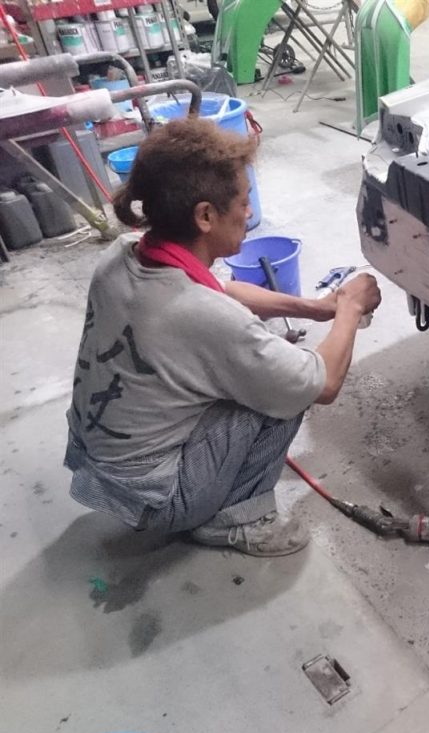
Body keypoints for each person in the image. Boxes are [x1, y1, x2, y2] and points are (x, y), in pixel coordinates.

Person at [63, 117, 381, 556]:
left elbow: (221, 290)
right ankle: (234, 519)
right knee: (281, 393)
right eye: (243, 201)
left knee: (255, 371)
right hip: (156, 499)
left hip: (101, 467)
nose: (248, 213)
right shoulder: (202, 316)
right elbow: (320, 383)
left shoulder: (123, 257)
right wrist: (350, 308)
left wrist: (316, 306)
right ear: (206, 216)